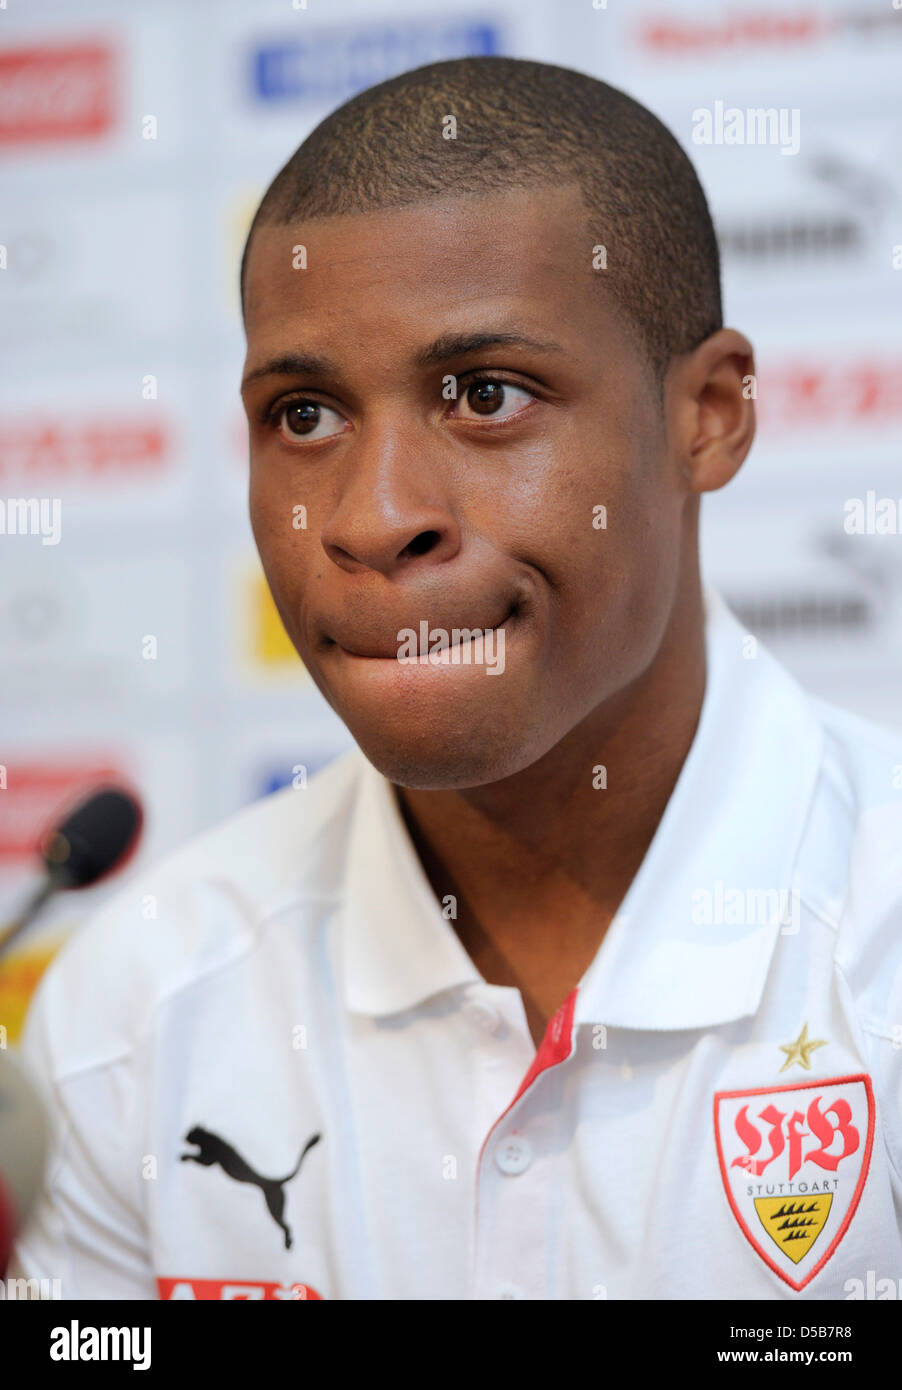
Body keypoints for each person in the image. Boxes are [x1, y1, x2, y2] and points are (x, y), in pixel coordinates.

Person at [10, 56, 902, 1301]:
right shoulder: (138, 1008)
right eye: (306, 415)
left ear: (705, 414)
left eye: (485, 395)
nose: (373, 518)